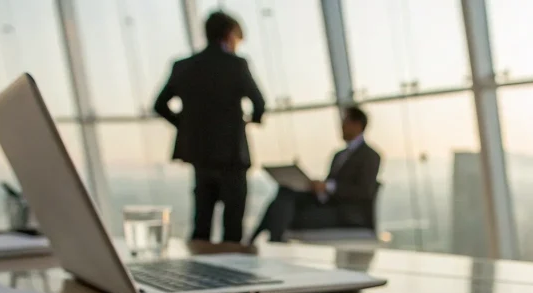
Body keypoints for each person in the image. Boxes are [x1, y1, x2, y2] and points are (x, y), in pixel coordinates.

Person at [153, 11, 265, 243]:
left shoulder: (183, 66)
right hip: (232, 155)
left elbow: (159, 104)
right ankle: (232, 275)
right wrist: (252, 119)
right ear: (229, 35)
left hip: (199, 154)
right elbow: (259, 102)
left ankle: (199, 275)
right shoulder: (237, 65)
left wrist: (184, 125)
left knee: (201, 223)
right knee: (233, 227)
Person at [249, 106, 381, 243]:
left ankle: (260, 240)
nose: (341, 126)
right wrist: (317, 187)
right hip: (326, 205)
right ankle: (268, 239)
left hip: (346, 214)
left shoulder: (370, 156)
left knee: (282, 214)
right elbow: (330, 184)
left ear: (357, 124)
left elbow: (365, 191)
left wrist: (328, 187)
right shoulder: (339, 155)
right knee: (285, 190)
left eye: (345, 121)